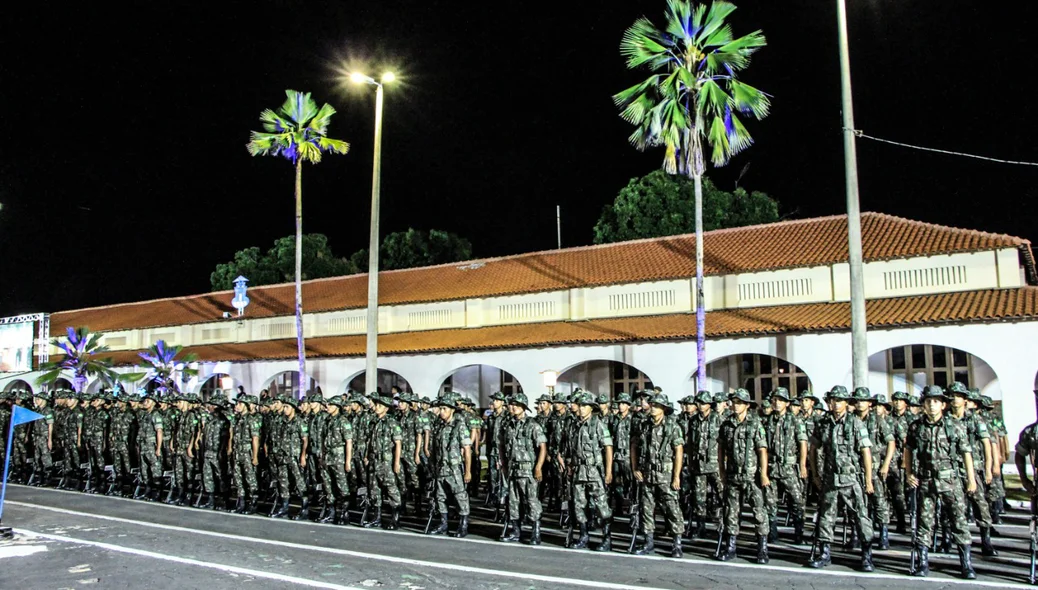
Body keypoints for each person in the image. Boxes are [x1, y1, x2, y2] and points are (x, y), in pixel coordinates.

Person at [905, 385, 977, 579]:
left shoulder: (954, 426)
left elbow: (966, 453)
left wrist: (971, 479)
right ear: (923, 405)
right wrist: (909, 473)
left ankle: (966, 564)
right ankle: (923, 563)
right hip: (926, 480)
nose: (932, 405)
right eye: (928, 401)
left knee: (958, 521)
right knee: (924, 522)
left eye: (936, 401)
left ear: (943, 405)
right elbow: (908, 450)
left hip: (950, 481)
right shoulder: (916, 426)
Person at [806, 385, 875, 572]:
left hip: (851, 479)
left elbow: (865, 452)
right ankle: (824, 552)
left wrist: (868, 479)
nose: (835, 404)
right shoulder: (823, 423)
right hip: (830, 478)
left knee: (861, 516)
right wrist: (815, 474)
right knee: (826, 516)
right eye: (833, 400)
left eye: (840, 400)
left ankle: (866, 555)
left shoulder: (855, 423)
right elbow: (813, 449)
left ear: (846, 403)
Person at [716, 388, 769, 564]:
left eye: (739, 402)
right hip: (732, 474)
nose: (736, 405)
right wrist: (722, 471)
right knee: (731, 512)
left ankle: (762, 549)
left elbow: (762, 450)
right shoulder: (727, 424)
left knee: (759, 512)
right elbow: (721, 448)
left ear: (747, 405)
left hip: (752, 475)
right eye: (734, 402)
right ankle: (730, 547)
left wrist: (764, 473)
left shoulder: (755, 424)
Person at [947, 382, 998, 557]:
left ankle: (986, 540)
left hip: (973, 467)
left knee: (980, 504)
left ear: (965, 400)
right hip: (951, 469)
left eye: (959, 396)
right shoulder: (945, 419)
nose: (955, 399)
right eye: (952, 396)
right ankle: (949, 539)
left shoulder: (975, 419)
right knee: (953, 506)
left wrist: (989, 468)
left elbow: (986, 443)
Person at [631, 392, 684, 557]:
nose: (653, 408)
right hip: (647, 474)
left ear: (664, 409)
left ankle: (677, 544)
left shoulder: (672, 426)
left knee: (672, 509)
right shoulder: (644, 425)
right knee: (646, 509)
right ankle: (648, 542)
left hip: (665, 475)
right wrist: (635, 468)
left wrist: (676, 476)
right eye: (652, 405)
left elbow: (679, 451)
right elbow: (634, 446)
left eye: (657, 406)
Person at [563, 391, 614, 551]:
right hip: (579, 471)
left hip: (594, 471)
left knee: (601, 506)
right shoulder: (574, 425)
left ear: (591, 408)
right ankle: (583, 536)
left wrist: (608, 471)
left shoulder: (598, 424)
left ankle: (606, 538)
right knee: (579, 505)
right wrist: (570, 465)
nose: (581, 408)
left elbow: (608, 448)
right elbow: (572, 449)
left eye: (585, 405)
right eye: (580, 405)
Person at [498, 392, 547, 544]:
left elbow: (542, 447)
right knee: (513, 502)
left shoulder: (532, 425)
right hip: (513, 470)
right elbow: (501, 445)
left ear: (523, 407)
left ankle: (535, 532)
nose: (512, 407)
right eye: (511, 405)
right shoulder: (508, 425)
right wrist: (504, 465)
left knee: (532, 501)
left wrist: (538, 467)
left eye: (516, 405)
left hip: (528, 470)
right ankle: (516, 531)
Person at [764, 387, 808, 545]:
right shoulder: (767, 420)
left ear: (787, 403)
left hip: (789, 467)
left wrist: (802, 465)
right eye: (775, 400)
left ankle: (799, 533)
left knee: (797, 501)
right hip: (772, 467)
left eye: (780, 400)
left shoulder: (795, 420)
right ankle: (772, 532)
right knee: (770, 501)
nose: (776, 403)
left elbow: (803, 443)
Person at [427, 393, 473, 537]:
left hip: (454, 470)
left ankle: (463, 525)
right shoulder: (438, 426)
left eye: (444, 409)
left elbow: (467, 450)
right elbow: (434, 449)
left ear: (452, 410)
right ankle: (443, 524)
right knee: (440, 497)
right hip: (441, 468)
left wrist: (468, 471)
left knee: (460, 497)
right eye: (440, 408)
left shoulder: (459, 426)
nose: (441, 411)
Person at [686, 390, 723, 540]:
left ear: (710, 404)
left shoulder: (718, 419)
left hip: (715, 464)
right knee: (698, 498)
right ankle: (700, 527)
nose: (700, 406)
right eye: (699, 403)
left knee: (722, 495)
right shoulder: (693, 420)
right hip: (698, 465)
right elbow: (690, 443)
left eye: (703, 403)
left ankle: (725, 525)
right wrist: (690, 462)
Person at [363, 393, 403, 529]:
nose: (376, 407)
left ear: (386, 408)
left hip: (387, 461)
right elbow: (370, 440)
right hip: (375, 461)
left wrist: (396, 462)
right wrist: (367, 456)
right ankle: (377, 517)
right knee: (374, 489)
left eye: (380, 405)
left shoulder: (392, 422)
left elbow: (398, 443)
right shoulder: (374, 422)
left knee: (391, 489)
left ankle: (395, 518)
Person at [318, 395, 353, 524]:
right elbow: (323, 440)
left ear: (337, 407)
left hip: (339, 457)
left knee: (342, 486)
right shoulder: (327, 420)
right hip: (327, 457)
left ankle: (344, 513)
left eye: (331, 405)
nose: (328, 407)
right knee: (328, 485)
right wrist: (322, 456)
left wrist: (348, 461)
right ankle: (331, 511)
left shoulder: (343, 421)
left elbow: (349, 442)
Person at [230, 394, 262, 515]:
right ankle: (241, 502)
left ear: (246, 406)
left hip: (247, 452)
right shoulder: (238, 419)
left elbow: (255, 439)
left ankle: (253, 503)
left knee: (250, 478)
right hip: (238, 451)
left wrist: (255, 456)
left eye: (240, 403)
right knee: (238, 478)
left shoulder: (251, 419)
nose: (237, 406)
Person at [134, 392, 164, 500]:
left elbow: (159, 431)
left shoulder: (156, 414)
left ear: (154, 403)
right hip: (143, 445)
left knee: (155, 469)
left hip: (151, 445)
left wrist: (158, 448)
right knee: (144, 470)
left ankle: (157, 493)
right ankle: (147, 491)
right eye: (145, 401)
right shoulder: (146, 414)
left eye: (148, 401)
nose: (145, 403)